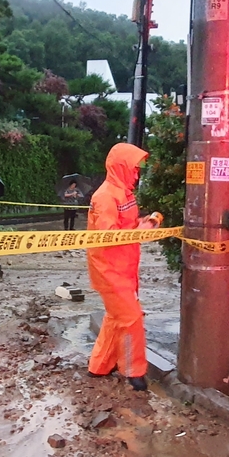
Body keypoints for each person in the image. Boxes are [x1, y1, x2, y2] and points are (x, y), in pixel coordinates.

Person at [86, 143, 160, 391]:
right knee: (130, 319)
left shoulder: (124, 193)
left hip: (123, 267)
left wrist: (143, 223)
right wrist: (141, 230)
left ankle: (99, 365)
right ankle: (133, 371)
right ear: (121, 167)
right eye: (134, 168)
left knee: (116, 317)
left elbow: (125, 227)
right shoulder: (106, 196)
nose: (137, 174)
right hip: (109, 269)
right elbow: (109, 236)